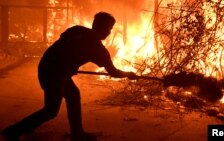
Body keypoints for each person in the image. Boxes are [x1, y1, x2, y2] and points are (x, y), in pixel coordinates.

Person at [1, 12, 138, 141]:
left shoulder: (78, 30)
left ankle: (77, 134)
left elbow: (62, 45)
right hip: (54, 73)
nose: (109, 32)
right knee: (51, 110)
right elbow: (113, 71)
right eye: (109, 28)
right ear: (99, 26)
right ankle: (13, 132)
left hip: (48, 65)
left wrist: (70, 65)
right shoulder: (98, 49)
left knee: (73, 95)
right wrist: (128, 74)